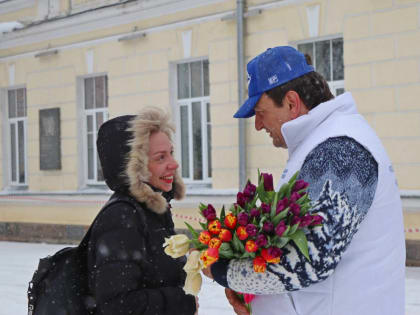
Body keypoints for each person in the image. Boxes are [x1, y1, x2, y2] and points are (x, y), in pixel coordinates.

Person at [204, 46, 406, 315]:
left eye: (261, 112)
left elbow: (311, 259)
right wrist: (259, 297)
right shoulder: (325, 144)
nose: (258, 125)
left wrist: (222, 269)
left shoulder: (341, 151)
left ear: (291, 102)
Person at [87, 107, 198, 315]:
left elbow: (155, 275)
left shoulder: (152, 210)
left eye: (171, 153)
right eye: (160, 157)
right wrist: (181, 303)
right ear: (135, 168)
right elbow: (117, 306)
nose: (174, 164)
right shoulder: (122, 218)